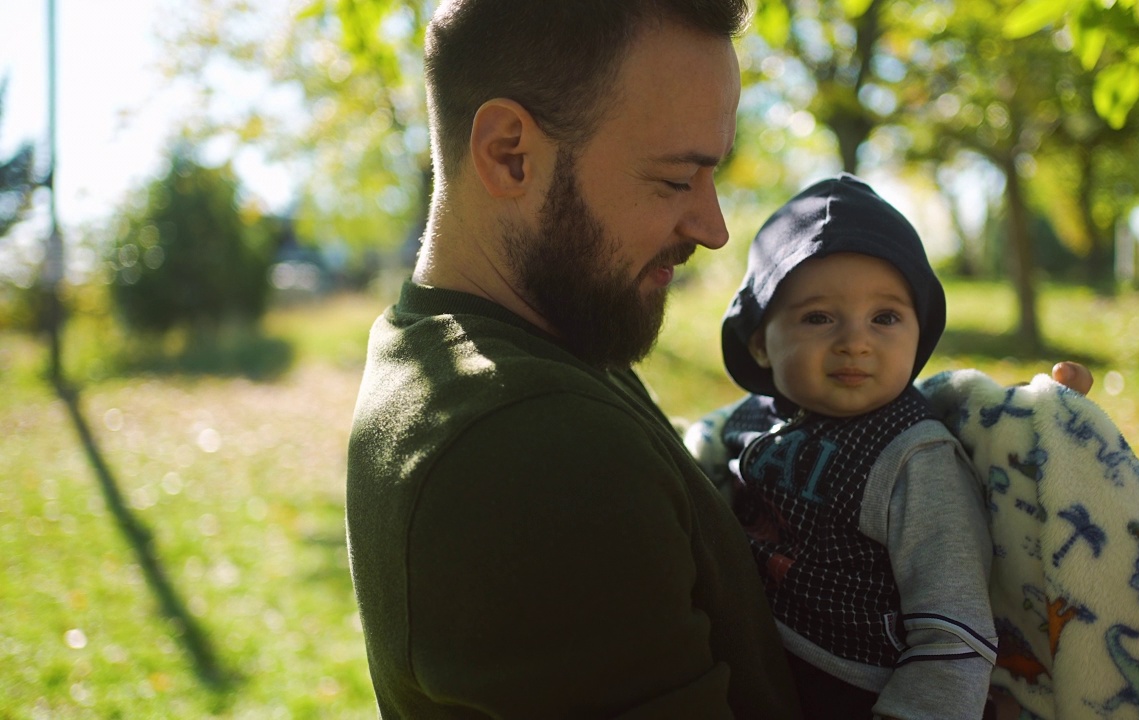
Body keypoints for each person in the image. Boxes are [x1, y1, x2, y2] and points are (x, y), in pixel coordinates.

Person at [344, 1, 1093, 717]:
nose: (713, 228)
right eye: (675, 178)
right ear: (512, 155)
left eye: (713, 177)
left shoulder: (500, 348)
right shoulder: (533, 442)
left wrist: (1022, 456)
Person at [718, 174, 995, 719]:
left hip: (854, 684)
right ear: (760, 341)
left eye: (885, 317)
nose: (855, 342)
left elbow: (953, 626)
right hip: (749, 647)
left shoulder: (912, 455)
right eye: (818, 317)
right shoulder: (748, 420)